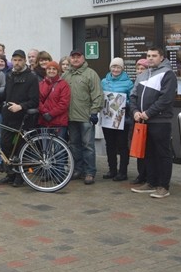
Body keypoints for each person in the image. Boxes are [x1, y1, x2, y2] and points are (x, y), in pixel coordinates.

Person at [130, 47, 177, 199]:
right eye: (148, 55)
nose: (150, 58)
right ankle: (151, 182)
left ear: (161, 57)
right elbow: (133, 96)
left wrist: (149, 113)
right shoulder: (143, 74)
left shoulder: (168, 74)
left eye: (154, 56)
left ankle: (163, 186)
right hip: (143, 121)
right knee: (148, 153)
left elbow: (166, 99)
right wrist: (135, 111)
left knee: (163, 153)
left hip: (160, 121)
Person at [0, 50, 39, 187]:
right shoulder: (9, 76)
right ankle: (10, 174)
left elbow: (35, 101)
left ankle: (20, 176)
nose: (17, 63)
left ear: (25, 61)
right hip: (8, 118)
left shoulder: (31, 78)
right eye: (15, 60)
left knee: (20, 148)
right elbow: (5, 95)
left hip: (22, 118)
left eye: (20, 60)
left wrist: (20, 106)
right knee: (6, 145)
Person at [62, 49, 104, 185]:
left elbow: (97, 94)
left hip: (85, 117)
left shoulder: (91, 74)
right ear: (70, 59)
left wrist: (94, 111)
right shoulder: (66, 75)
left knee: (88, 146)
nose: (75, 59)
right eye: (73, 57)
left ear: (83, 58)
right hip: (70, 117)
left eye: (78, 57)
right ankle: (77, 170)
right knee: (74, 145)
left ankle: (90, 172)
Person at [100, 57, 134, 181]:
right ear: (110, 68)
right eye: (113, 67)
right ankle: (112, 170)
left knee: (122, 146)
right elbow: (100, 96)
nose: (115, 69)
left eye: (118, 67)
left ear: (122, 68)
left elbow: (132, 99)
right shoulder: (104, 81)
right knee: (110, 145)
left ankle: (123, 172)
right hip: (108, 118)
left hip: (122, 119)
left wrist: (123, 102)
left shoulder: (128, 82)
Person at [38, 61, 70, 140]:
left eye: (54, 69)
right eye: (49, 69)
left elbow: (64, 103)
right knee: (45, 149)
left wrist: (51, 114)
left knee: (58, 149)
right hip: (44, 121)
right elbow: (37, 100)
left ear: (58, 71)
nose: (51, 71)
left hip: (59, 122)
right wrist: (45, 112)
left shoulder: (63, 84)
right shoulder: (40, 84)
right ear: (46, 70)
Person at [131, 58, 150, 184]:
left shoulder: (151, 81)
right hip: (138, 119)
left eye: (142, 68)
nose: (139, 71)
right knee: (139, 147)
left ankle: (149, 175)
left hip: (149, 118)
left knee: (149, 149)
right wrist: (135, 111)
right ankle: (141, 174)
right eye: (138, 69)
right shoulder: (136, 82)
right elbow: (133, 97)